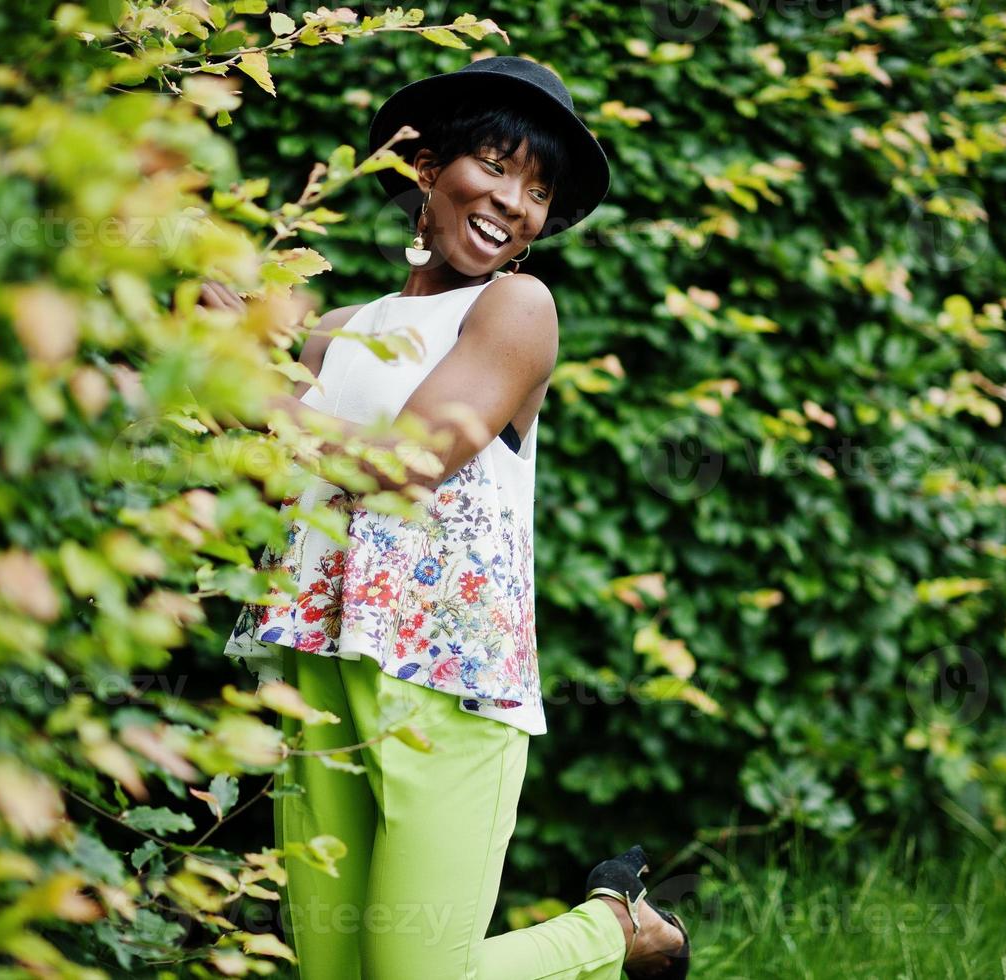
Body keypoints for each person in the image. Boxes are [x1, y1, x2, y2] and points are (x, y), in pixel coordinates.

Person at [210, 55, 693, 979]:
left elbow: (406, 466)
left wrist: (253, 393)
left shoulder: (517, 307)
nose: (515, 201)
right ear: (427, 168)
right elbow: (285, 481)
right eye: (496, 165)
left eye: (538, 189)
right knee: (329, 970)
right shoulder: (338, 328)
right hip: (318, 655)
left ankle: (611, 928)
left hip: (449, 672)